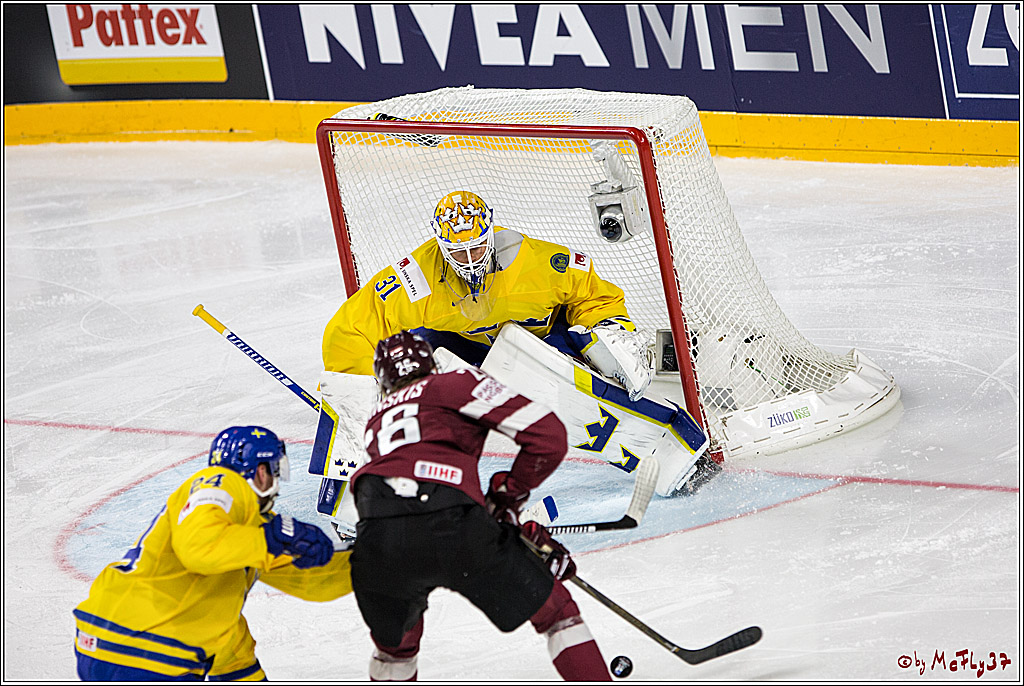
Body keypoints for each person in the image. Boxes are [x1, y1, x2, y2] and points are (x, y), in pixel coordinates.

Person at [312, 191, 719, 531]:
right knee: (417, 403)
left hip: (542, 344)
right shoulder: (416, 280)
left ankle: (676, 455)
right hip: (460, 350)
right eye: (458, 250)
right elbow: (347, 331)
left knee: (573, 403)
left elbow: (594, 295)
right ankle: (364, 494)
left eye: (476, 247)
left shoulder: (540, 263)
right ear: (441, 244)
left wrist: (610, 331)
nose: (469, 259)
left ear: (490, 234)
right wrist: (357, 403)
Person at [348, 330, 612, 681]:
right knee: (557, 613)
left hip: (377, 536)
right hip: (452, 524)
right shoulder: (451, 384)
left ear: (383, 382)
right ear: (430, 364)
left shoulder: (375, 421)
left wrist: (493, 519)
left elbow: (402, 502)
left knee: (395, 651)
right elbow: (547, 435)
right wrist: (507, 497)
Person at [73, 426, 352, 681]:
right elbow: (200, 548)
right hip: (144, 646)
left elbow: (312, 580)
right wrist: (274, 536)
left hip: (113, 640)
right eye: (276, 469)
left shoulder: (248, 535)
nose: (277, 480)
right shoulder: (220, 482)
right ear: (260, 471)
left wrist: (373, 559)